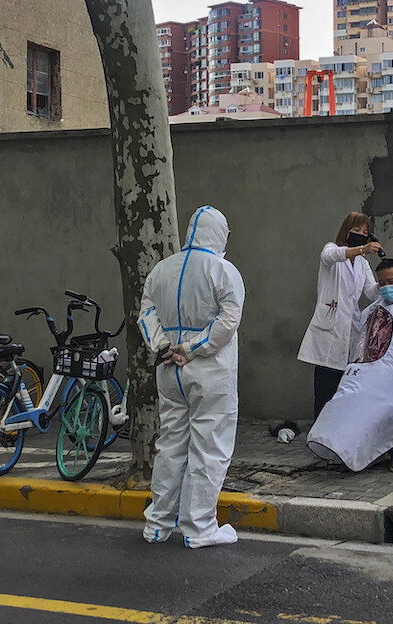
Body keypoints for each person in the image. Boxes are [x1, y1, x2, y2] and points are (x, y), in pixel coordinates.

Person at [137, 205, 245, 547]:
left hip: (169, 371)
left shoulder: (161, 269)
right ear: (221, 234)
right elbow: (228, 320)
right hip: (210, 372)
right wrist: (192, 348)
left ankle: (157, 524)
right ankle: (199, 528)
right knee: (209, 448)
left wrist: (164, 346)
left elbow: (146, 314)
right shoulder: (223, 270)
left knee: (170, 446)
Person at [307, 258, 393, 473]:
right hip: (368, 371)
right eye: (381, 283)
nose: (386, 287)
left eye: (391, 281)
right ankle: (336, 445)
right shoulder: (372, 310)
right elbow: (360, 344)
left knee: (382, 401)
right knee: (345, 396)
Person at [296, 212, 383, 419]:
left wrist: (386, 283)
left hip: (351, 329)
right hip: (329, 329)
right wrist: (361, 249)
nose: (361, 234)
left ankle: (339, 432)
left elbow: (371, 292)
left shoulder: (362, 264)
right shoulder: (332, 250)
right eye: (356, 230)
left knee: (344, 390)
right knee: (325, 390)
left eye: (365, 232)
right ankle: (320, 431)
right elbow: (330, 256)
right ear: (346, 231)